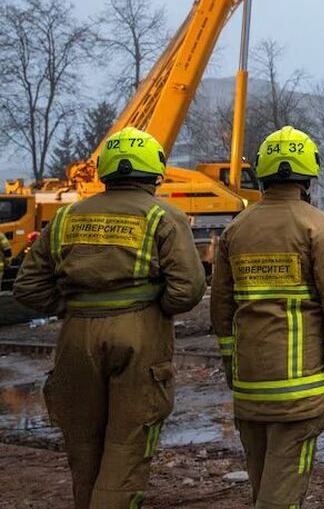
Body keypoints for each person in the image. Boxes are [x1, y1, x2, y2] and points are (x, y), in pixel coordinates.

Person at [14, 126, 206, 508]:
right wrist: (151, 306)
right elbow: (187, 289)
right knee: (127, 446)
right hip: (138, 334)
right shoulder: (164, 216)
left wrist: (73, 306)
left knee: (84, 445)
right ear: (155, 171)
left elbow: (28, 286)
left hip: (76, 338)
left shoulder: (67, 216)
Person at [210, 126, 324, 509]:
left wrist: (232, 365)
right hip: (299, 391)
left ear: (262, 173)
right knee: (282, 496)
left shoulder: (236, 230)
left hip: (249, 388)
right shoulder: (319, 227)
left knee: (263, 486)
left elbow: (221, 309)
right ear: (308, 175)